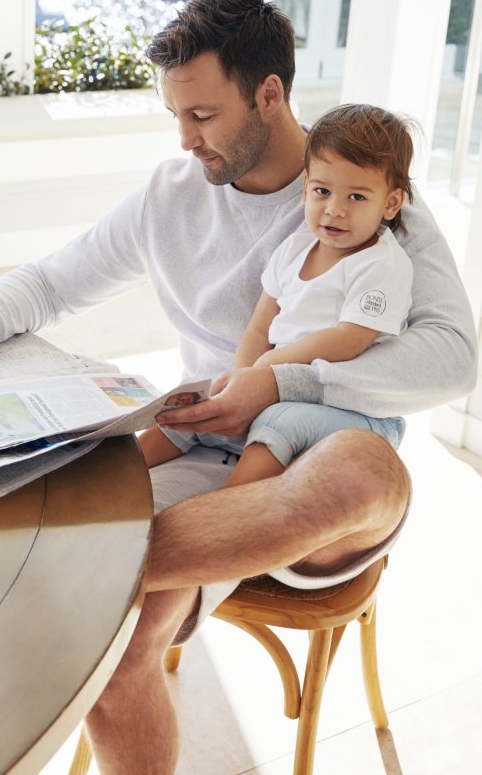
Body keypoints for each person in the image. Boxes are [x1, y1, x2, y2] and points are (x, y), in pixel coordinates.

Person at [0, 0, 476, 775]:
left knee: (363, 469)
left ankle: (74, 564)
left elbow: (453, 359)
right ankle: (84, 567)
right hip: (202, 452)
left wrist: (277, 387)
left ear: (268, 95)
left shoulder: (367, 196)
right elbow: (54, 280)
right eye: (176, 115)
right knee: (118, 645)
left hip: (308, 456)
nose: (184, 140)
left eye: (202, 116)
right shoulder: (174, 196)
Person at [139, 103, 414, 489]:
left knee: (278, 423)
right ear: (306, 188)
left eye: (356, 197)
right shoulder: (297, 247)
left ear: (390, 203)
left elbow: (350, 338)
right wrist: (241, 382)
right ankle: (104, 479)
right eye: (322, 191)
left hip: (355, 411)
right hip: (281, 388)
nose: (334, 210)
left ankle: (226, 511)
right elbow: (258, 328)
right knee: (193, 414)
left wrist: (273, 366)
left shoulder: (381, 263)